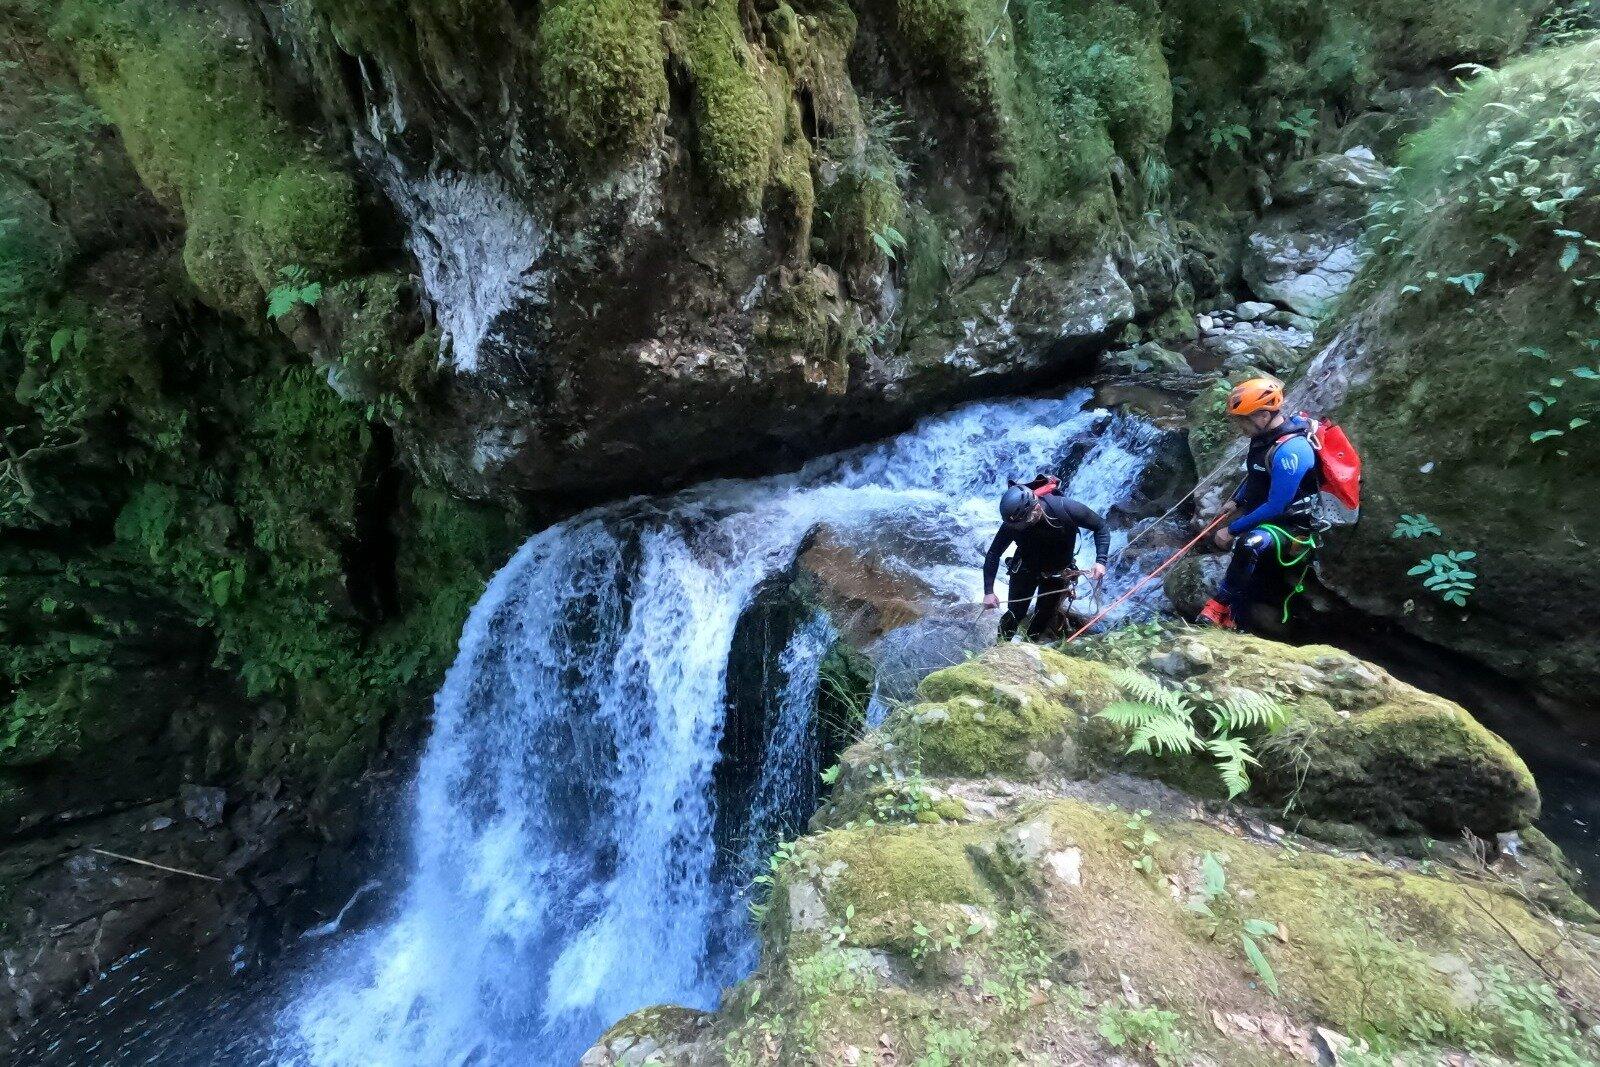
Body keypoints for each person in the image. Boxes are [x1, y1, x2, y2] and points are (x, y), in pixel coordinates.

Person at [1199, 377, 1320, 631]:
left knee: (1249, 543)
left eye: (1243, 420)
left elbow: (1277, 505)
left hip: (1290, 527)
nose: (1239, 427)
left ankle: (1220, 605)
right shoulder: (1265, 438)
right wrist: (1237, 500)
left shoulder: (1291, 451)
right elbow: (1258, 475)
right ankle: (1236, 610)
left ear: (1263, 415)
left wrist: (1231, 530)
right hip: (1266, 515)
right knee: (1243, 547)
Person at [981, 480, 1110, 641]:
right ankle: (1000, 647)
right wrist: (988, 592)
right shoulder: (1013, 523)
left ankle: (1029, 646)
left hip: (1059, 572)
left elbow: (1101, 527)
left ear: (1035, 508)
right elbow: (994, 553)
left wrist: (1100, 561)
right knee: (1015, 613)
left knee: (1044, 615)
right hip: (1025, 568)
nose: (1020, 527)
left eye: (1023, 523)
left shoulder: (1065, 509)